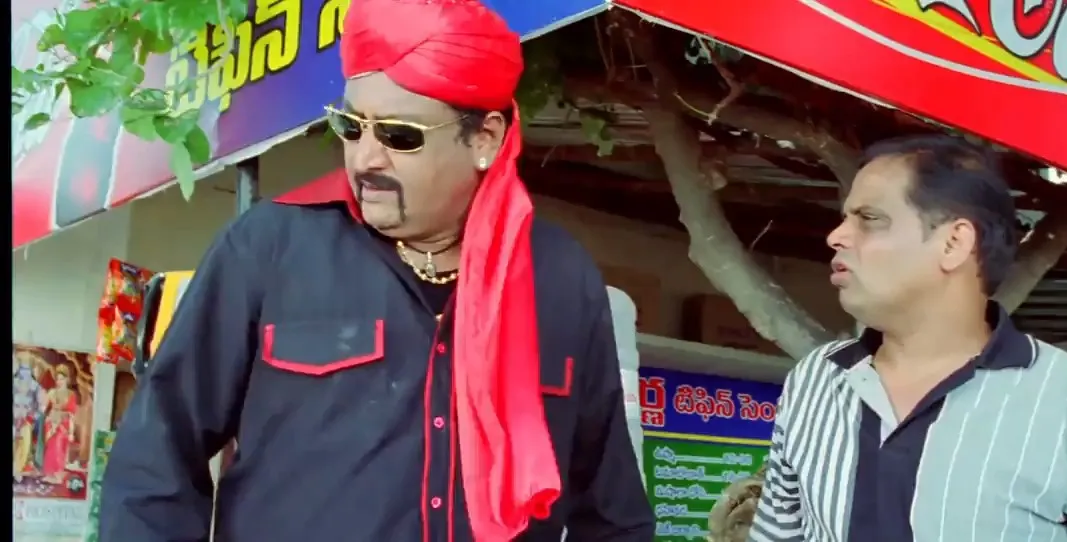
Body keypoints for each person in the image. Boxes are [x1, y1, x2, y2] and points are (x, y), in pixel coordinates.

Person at [97, 1, 654, 540]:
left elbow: (613, 514)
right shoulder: (268, 248)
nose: (366, 158)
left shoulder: (559, 279)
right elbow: (155, 462)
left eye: (399, 135)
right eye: (352, 126)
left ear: (484, 139)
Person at [748, 135, 1067, 541]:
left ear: (953, 243)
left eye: (870, 219)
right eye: (845, 218)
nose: (836, 236)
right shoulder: (815, 380)